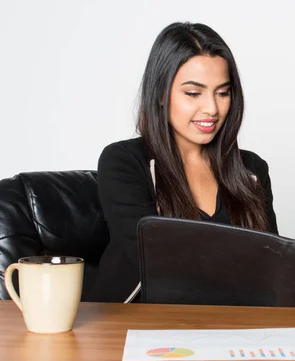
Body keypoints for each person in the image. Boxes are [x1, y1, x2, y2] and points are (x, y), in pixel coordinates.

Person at [86, 22, 278, 303]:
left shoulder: (251, 170)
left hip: (232, 330)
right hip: (140, 330)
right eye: (193, 93)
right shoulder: (124, 162)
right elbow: (157, 264)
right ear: (162, 94)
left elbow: (274, 269)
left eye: (222, 92)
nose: (212, 108)